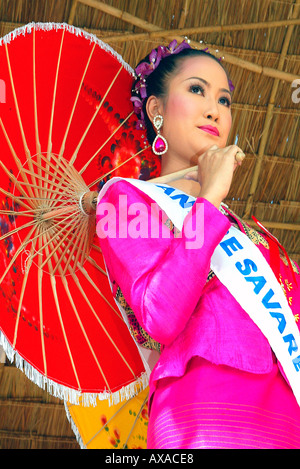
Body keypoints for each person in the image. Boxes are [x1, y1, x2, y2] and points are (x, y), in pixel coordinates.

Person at [96, 40, 300, 449]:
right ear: (156, 111)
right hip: (203, 417)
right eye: (196, 90)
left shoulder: (255, 234)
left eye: (223, 99)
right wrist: (209, 200)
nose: (214, 108)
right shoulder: (126, 201)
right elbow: (163, 315)